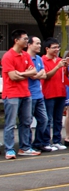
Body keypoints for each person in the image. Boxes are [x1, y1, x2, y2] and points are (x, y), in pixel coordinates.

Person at [2, 30, 38, 159]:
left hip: (25, 93)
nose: (27, 41)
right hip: (12, 94)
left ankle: (25, 147)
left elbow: (34, 71)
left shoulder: (25, 55)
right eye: (24, 39)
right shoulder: (8, 56)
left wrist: (21, 73)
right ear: (16, 40)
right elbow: (12, 76)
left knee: (26, 121)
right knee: (10, 123)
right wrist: (26, 73)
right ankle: (9, 149)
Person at [41, 38, 69, 150]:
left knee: (58, 119)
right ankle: (46, 141)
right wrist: (57, 66)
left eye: (58, 47)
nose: (57, 50)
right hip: (48, 92)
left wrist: (66, 67)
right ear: (47, 49)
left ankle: (57, 140)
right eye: (54, 48)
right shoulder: (42, 60)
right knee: (48, 119)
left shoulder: (59, 60)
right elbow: (46, 75)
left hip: (61, 92)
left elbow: (65, 76)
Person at [27, 36, 54, 152]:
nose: (39, 46)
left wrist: (35, 74)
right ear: (29, 44)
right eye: (37, 43)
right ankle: (26, 145)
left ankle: (38, 143)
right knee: (27, 121)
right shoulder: (25, 58)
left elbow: (43, 74)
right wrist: (36, 74)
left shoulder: (38, 58)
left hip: (39, 94)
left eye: (39, 44)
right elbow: (32, 75)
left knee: (44, 119)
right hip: (29, 94)